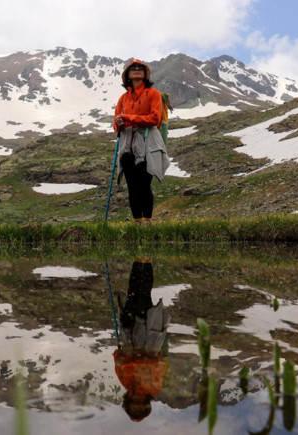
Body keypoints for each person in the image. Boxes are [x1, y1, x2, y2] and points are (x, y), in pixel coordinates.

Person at [113, 59, 171, 225]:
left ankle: (147, 221)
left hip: (148, 144)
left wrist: (128, 118)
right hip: (127, 145)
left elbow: (155, 119)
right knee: (132, 186)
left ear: (145, 74)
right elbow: (115, 124)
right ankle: (138, 222)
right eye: (133, 68)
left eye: (140, 68)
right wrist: (119, 123)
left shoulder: (153, 94)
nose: (137, 70)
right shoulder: (123, 98)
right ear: (128, 75)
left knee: (144, 184)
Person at [113, 258, 170, 422]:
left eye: (133, 402)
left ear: (128, 401)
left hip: (129, 333)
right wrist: (131, 361)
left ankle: (138, 262)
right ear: (146, 403)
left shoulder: (125, 382)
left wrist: (121, 359)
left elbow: (117, 359)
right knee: (143, 295)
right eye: (140, 403)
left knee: (133, 294)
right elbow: (156, 363)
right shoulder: (154, 386)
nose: (137, 399)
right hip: (148, 337)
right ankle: (146, 262)